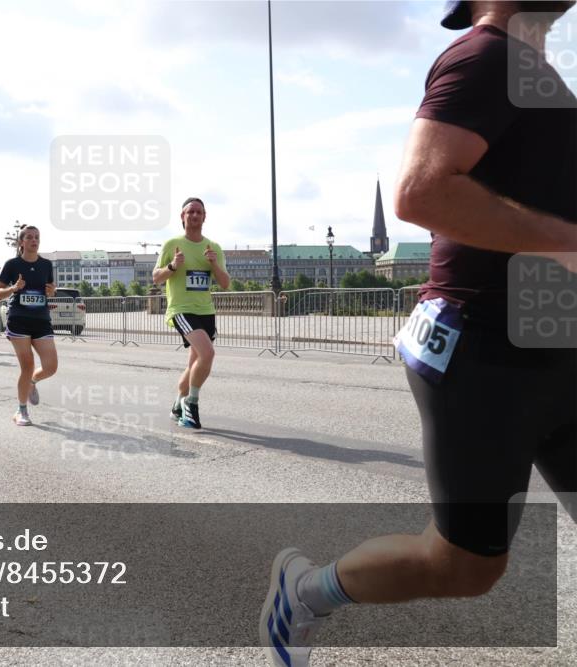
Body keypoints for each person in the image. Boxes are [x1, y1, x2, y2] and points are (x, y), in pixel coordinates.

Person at [259, 3, 577, 666]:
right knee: (464, 564)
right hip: (488, 353)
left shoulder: (545, 79)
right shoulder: (485, 57)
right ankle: (307, 590)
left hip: (560, 348)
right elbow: (420, 192)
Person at [152, 197, 229, 430]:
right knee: (208, 353)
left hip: (206, 311)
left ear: (204, 217)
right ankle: (191, 404)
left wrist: (214, 264)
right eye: (190, 212)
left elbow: (225, 283)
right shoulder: (172, 244)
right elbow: (156, 278)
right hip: (181, 310)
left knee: (194, 362)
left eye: (199, 212)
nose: (195, 215)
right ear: (182, 217)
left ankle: (176, 405)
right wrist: (173, 266)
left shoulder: (213, 247)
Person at [0, 225, 58, 426]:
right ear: (21, 242)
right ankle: (21, 411)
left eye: (37, 237)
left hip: (41, 320)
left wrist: (51, 291)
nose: (34, 240)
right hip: (19, 320)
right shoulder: (12, 264)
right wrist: (14, 288)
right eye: (29, 237)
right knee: (27, 365)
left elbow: (49, 289)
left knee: (51, 366)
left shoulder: (47, 265)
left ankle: (32, 383)